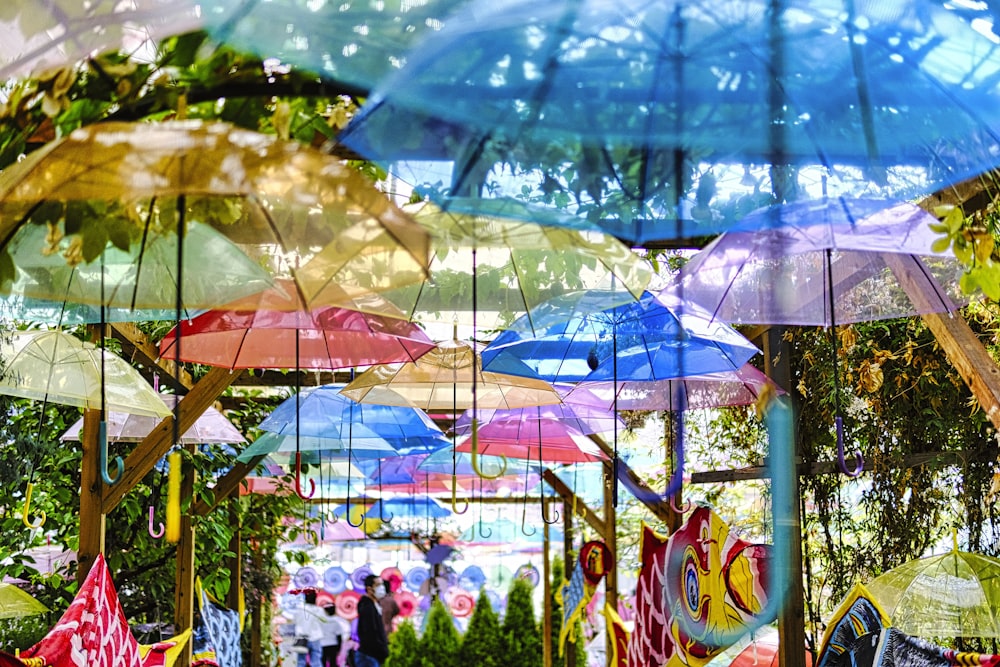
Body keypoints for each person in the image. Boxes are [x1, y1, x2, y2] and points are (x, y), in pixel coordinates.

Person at [354, 575, 390, 667]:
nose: (382, 588)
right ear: (369, 589)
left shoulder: (374, 605)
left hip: (372, 656)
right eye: (378, 585)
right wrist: (383, 651)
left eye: (382, 584)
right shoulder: (367, 608)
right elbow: (370, 633)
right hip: (369, 657)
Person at [294, 589, 325, 667]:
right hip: (316, 637)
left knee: (301, 661)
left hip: (302, 637)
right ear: (315, 598)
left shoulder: (299, 608)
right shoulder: (319, 610)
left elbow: (295, 620)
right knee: (316, 662)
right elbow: (323, 623)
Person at [321, 603, 350, 667]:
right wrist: (339, 648)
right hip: (333, 645)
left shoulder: (321, 621)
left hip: (323, 645)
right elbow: (339, 636)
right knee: (333, 662)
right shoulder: (338, 621)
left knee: (323, 662)